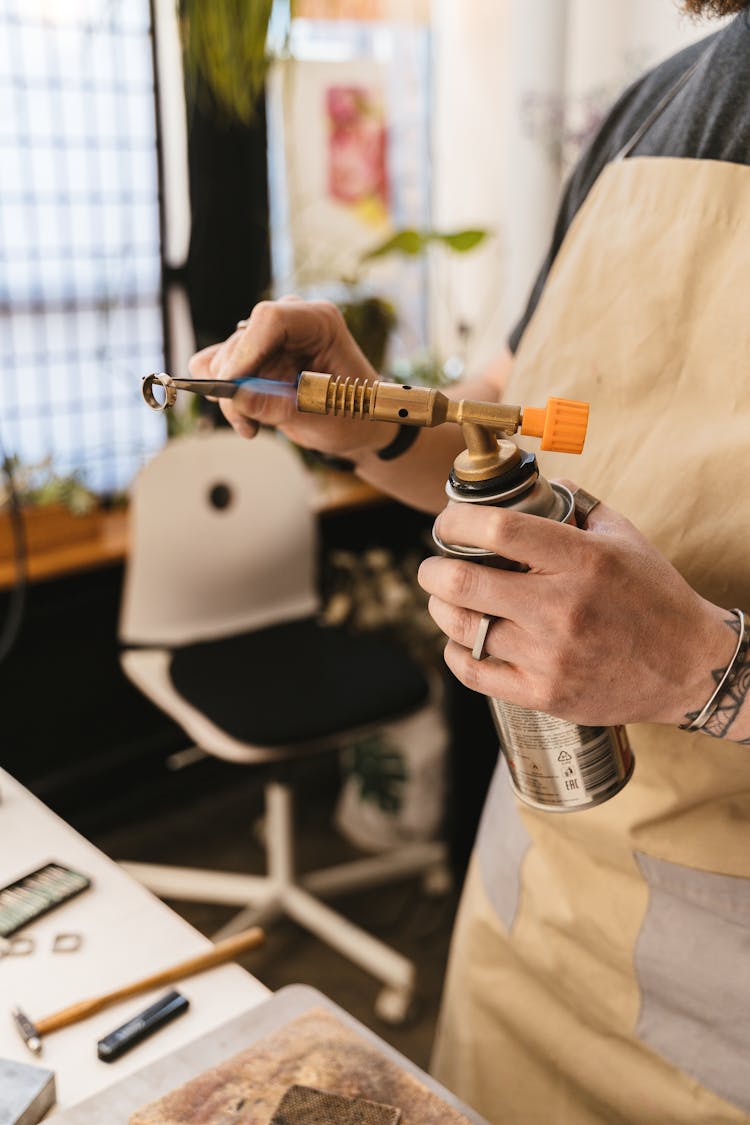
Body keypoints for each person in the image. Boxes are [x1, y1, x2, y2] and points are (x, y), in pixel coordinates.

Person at [188, 2, 750, 1119]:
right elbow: (501, 433)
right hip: (531, 940)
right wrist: (369, 421)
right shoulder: (658, 110)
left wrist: (707, 674)